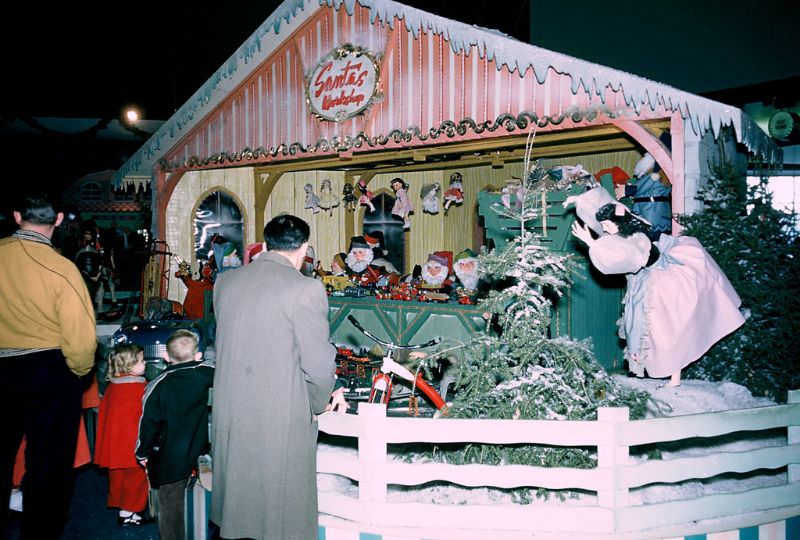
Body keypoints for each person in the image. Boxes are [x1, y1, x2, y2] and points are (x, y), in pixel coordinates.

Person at [211, 214, 345, 540]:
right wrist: (317, 404)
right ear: (304, 249)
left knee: (240, 504)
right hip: (278, 414)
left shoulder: (225, 282)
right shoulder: (305, 288)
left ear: (266, 244)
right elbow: (318, 362)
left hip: (232, 410)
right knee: (280, 512)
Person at [0, 189, 97, 539]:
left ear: (16, 216)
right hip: (48, 371)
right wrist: (79, 371)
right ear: (57, 220)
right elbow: (82, 341)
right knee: (49, 464)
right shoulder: (61, 268)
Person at [569, 201, 745, 388]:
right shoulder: (620, 233)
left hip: (660, 285)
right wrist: (581, 200)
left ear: (618, 223)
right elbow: (605, 215)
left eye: (607, 225)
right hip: (643, 283)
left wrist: (591, 243)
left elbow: (624, 258)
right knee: (640, 326)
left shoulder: (638, 239)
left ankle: (673, 376)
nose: (603, 229)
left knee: (664, 329)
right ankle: (650, 370)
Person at [136, 329, 214, 540]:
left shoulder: (157, 385)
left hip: (169, 456)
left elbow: (148, 423)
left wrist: (142, 453)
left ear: (166, 357)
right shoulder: (204, 372)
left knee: (170, 504)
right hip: (198, 448)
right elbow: (216, 368)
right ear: (198, 356)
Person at [94, 343, 149, 527]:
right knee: (136, 479)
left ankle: (122, 509)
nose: (145, 363)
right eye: (141, 360)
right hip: (132, 445)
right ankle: (130, 513)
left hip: (113, 445)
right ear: (129, 365)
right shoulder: (140, 388)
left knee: (117, 478)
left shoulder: (113, 387)